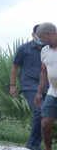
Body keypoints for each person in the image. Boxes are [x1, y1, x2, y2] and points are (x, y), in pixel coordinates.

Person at [10, 24, 45, 150]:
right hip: (29, 85)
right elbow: (14, 67)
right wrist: (13, 85)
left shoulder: (50, 49)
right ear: (33, 35)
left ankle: (35, 144)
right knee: (40, 110)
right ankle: (33, 145)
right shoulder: (23, 49)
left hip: (46, 86)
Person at [34, 22, 57, 150]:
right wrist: (39, 92)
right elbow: (44, 72)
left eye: (41, 38)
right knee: (45, 124)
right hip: (53, 92)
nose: (40, 41)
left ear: (50, 34)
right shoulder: (44, 51)